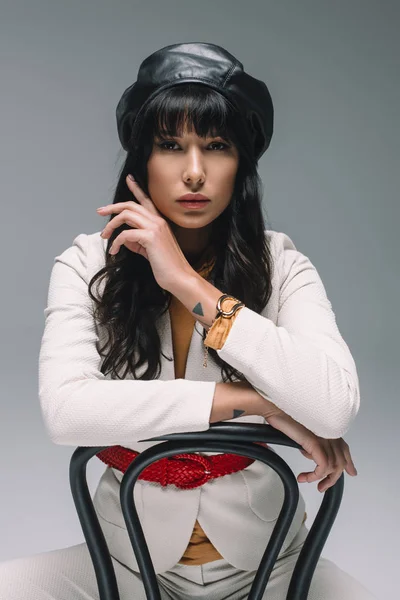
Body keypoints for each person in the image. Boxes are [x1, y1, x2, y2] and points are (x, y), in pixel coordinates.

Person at [0, 42, 377, 599]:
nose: (194, 172)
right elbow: (65, 411)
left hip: (271, 568)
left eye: (217, 147)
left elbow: (334, 403)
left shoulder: (284, 265)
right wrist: (256, 402)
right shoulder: (86, 262)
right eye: (170, 146)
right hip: (126, 566)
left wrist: (188, 285)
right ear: (141, 160)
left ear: (241, 162)